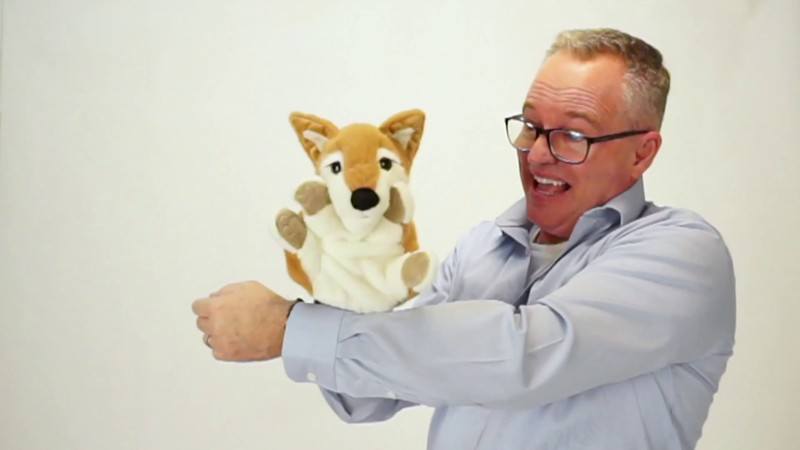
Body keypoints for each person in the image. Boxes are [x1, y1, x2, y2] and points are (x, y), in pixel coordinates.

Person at [192, 27, 736, 449]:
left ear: (642, 152)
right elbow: (370, 395)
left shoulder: (683, 253)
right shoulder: (484, 246)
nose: (537, 153)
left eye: (572, 134)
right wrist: (344, 271)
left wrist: (291, 328)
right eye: (530, 126)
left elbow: (518, 357)